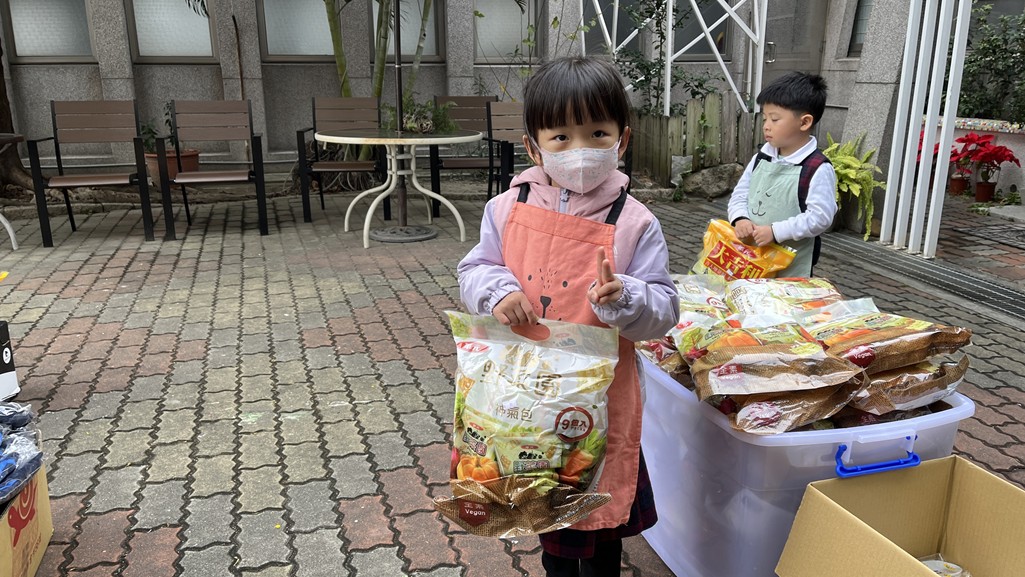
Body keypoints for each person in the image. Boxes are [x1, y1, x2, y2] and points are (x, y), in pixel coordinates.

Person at [457, 56, 679, 577]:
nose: (580, 150)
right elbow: (475, 269)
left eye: (597, 133)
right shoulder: (505, 208)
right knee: (544, 512)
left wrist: (627, 298)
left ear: (622, 139)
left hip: (600, 400)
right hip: (521, 395)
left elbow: (664, 310)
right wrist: (497, 292)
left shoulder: (636, 223)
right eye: (560, 137)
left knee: (599, 517)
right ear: (533, 146)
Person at [728, 71, 838, 278]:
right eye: (765, 118)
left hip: (791, 270)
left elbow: (820, 218)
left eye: (775, 119)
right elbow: (740, 195)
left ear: (804, 122)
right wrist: (740, 218)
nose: (766, 126)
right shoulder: (761, 158)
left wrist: (776, 232)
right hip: (751, 260)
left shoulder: (817, 168)